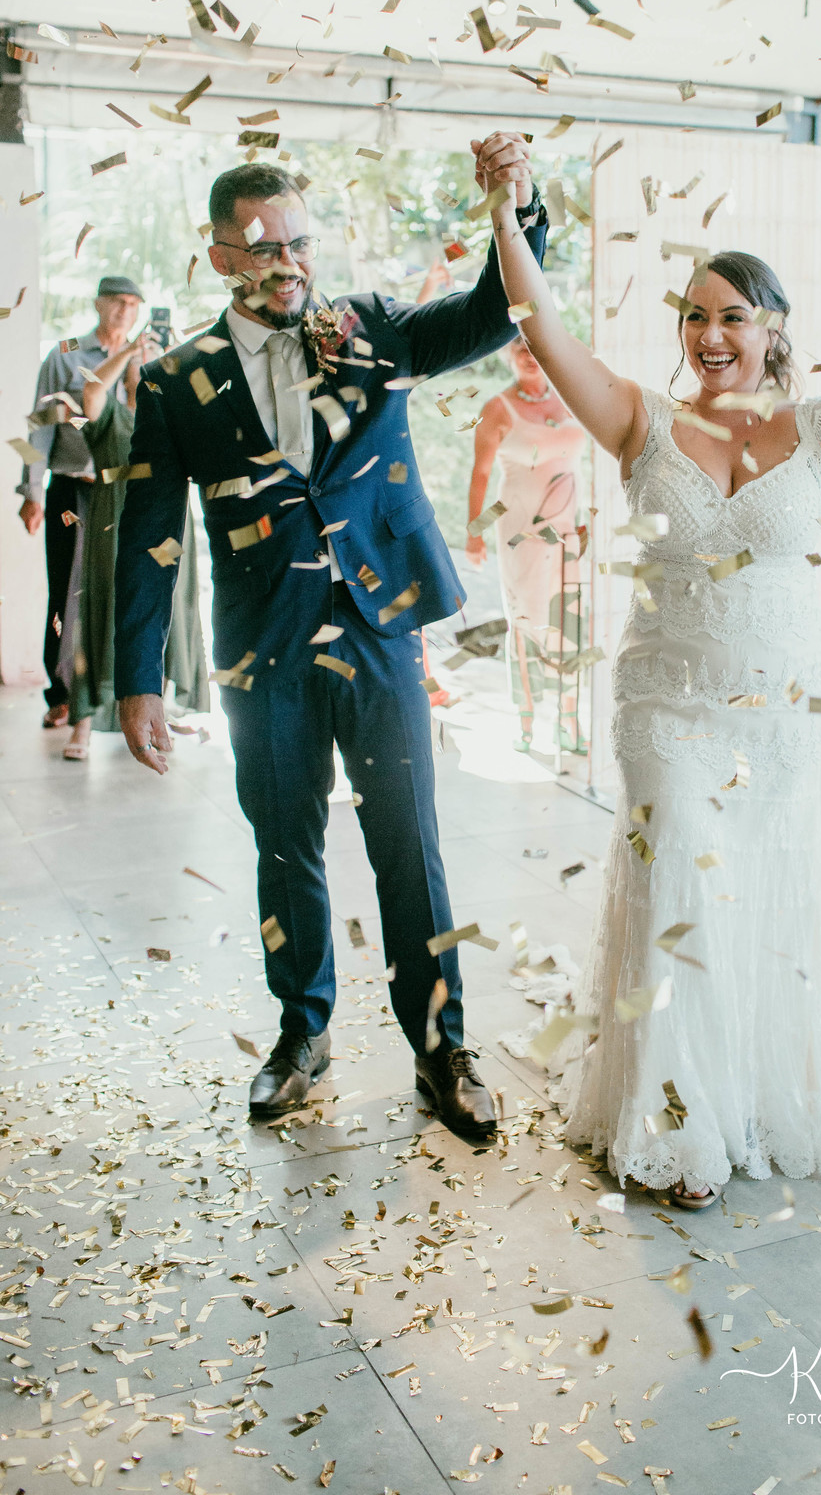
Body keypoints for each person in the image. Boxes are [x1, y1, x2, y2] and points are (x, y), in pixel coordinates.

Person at [472, 131, 821, 1208]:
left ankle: (754, 1098)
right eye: (695, 313)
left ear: (774, 328)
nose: (711, 332)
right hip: (666, 707)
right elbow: (545, 331)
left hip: (778, 714)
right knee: (680, 877)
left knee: (759, 903)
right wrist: (508, 213)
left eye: (733, 314)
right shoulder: (642, 418)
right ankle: (681, 1129)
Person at [113, 142, 548, 1133]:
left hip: (379, 627)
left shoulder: (372, 331)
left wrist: (512, 207)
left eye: (299, 240)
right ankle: (301, 1034)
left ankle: (442, 1050)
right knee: (283, 844)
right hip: (260, 649)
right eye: (263, 246)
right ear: (220, 255)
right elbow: (148, 533)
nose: (288, 261)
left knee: (409, 841)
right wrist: (137, 678)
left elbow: (492, 314)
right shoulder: (177, 382)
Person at [60, 332, 209, 762]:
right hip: (115, 528)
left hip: (169, 533)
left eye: (152, 356)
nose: (145, 362)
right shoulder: (111, 419)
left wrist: (180, 353)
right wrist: (127, 349)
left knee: (166, 616)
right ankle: (84, 719)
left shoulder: (174, 413)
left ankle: (157, 711)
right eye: (138, 359)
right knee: (105, 613)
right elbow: (91, 387)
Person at [16, 274, 143, 728]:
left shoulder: (144, 357)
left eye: (132, 304)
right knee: (64, 592)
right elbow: (38, 424)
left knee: (118, 592)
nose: (124, 311)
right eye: (116, 302)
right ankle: (62, 693)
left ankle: (114, 689)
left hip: (123, 494)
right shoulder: (65, 353)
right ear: (98, 304)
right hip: (72, 487)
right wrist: (31, 490)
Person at [466, 338, 588, 751]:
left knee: (570, 620)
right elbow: (480, 474)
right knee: (529, 619)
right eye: (519, 348)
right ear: (507, 355)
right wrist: (474, 534)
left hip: (572, 527)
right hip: (521, 531)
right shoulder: (497, 409)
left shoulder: (573, 397)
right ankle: (527, 720)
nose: (528, 354)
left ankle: (570, 721)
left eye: (535, 346)